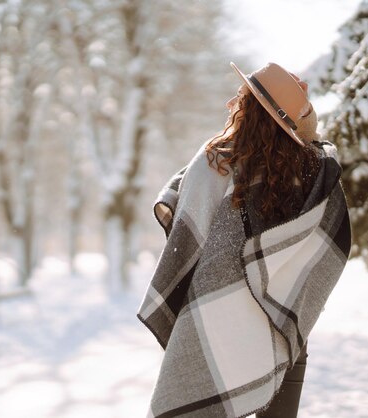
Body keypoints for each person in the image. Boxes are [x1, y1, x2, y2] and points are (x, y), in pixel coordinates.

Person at [137, 62, 351, 418]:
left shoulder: (216, 160)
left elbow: (189, 232)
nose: (230, 103)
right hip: (286, 320)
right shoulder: (316, 172)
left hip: (215, 319)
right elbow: (323, 246)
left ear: (252, 109)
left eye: (240, 96)